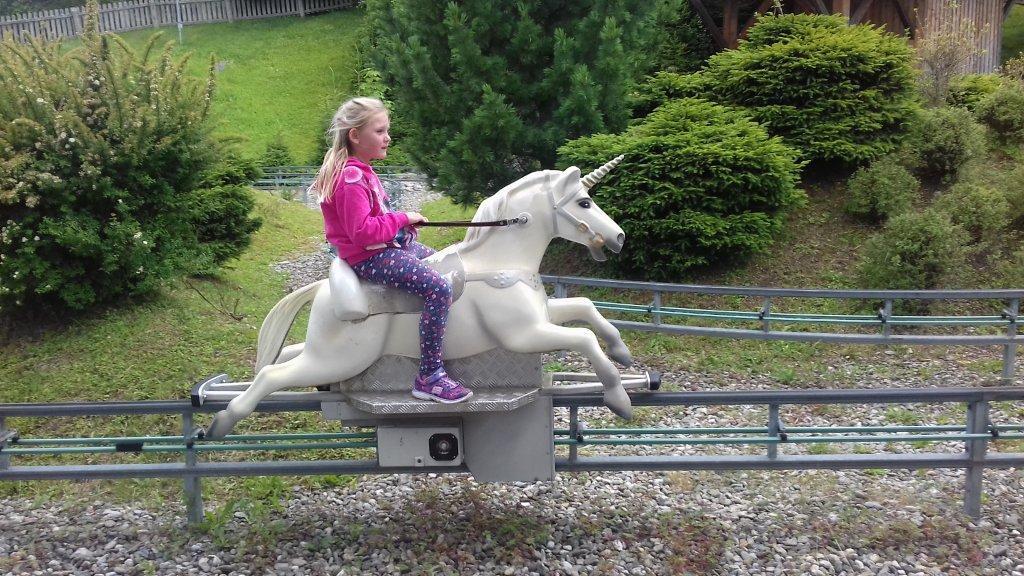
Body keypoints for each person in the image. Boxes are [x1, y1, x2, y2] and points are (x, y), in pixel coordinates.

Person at [310, 97, 472, 404]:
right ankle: (430, 376)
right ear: (355, 136)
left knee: (443, 261)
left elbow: (375, 219)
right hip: (371, 256)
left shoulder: (362, 171)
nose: (387, 137)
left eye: (387, 130)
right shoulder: (351, 177)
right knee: (439, 288)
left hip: (384, 247)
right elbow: (362, 232)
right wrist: (402, 218)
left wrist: (403, 227)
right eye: (380, 131)